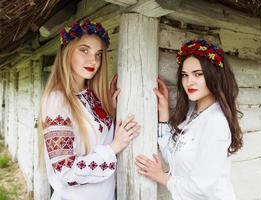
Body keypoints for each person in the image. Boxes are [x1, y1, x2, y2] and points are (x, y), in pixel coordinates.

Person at [38, 19, 140, 200]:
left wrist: (111, 110)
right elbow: (66, 172)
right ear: (67, 52)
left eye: (98, 54)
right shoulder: (57, 100)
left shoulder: (91, 96)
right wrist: (114, 147)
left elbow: (97, 137)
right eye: (84, 50)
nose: (93, 60)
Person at [135, 39, 243, 200]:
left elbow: (201, 188)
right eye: (185, 75)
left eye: (198, 74)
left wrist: (162, 177)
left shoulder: (215, 122)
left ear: (214, 76)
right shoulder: (192, 113)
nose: (189, 82)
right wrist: (164, 110)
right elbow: (172, 153)